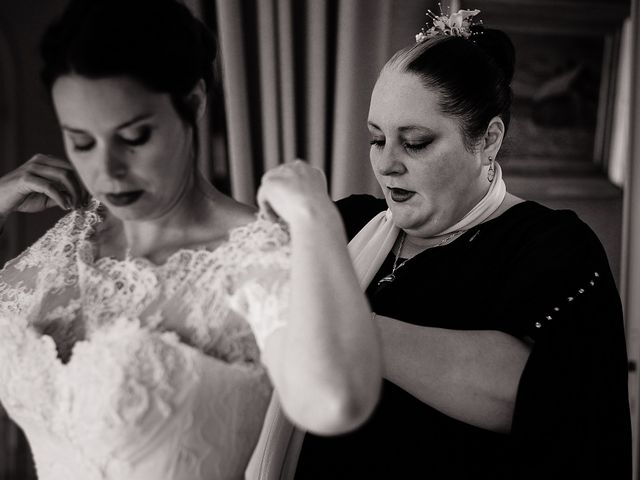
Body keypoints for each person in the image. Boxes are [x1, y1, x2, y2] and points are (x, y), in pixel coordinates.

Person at [0, 0, 381, 478]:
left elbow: (334, 403)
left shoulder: (252, 253)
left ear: (194, 104)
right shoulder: (71, 239)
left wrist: (315, 219)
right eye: (81, 142)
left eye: (134, 137)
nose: (107, 170)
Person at [261, 9, 631, 480]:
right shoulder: (346, 223)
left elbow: (533, 394)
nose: (387, 164)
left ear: (488, 140)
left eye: (414, 142)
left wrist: (339, 325)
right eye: (377, 139)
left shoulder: (551, 246)